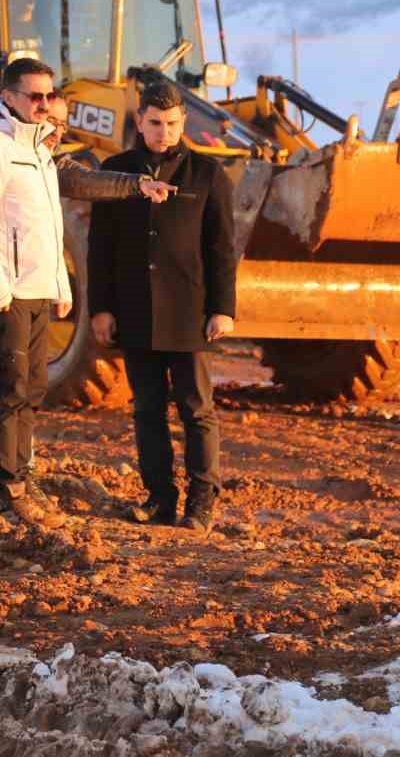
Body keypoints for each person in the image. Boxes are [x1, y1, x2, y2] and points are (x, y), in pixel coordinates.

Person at [0, 95, 172, 475]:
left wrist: (137, 185)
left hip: (9, 289)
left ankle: (20, 462)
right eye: (53, 120)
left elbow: (82, 183)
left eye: (64, 125)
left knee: (21, 382)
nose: (58, 131)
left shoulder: (45, 162)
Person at [88, 77, 237, 533]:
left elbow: (222, 247)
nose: (164, 132)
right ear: (140, 120)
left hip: (190, 313)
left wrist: (222, 308)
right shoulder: (114, 172)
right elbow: (100, 248)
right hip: (135, 311)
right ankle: (160, 499)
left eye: (172, 123)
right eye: (155, 123)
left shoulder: (208, 175)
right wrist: (101, 307)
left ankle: (201, 501)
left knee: (196, 408)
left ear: (183, 121)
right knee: (146, 409)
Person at [0, 59, 79, 525]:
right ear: (8, 97)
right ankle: (5, 485)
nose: (44, 104)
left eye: (49, 96)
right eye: (34, 96)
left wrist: (60, 282)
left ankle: (24, 474)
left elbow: (49, 225)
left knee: (34, 386)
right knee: (9, 386)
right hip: (7, 291)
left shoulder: (40, 150)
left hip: (39, 288)